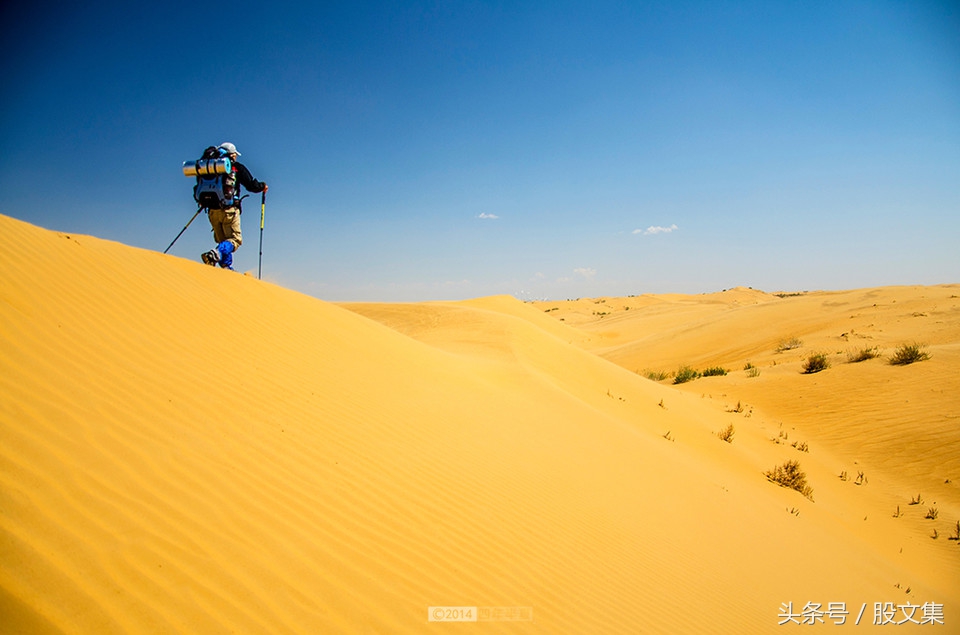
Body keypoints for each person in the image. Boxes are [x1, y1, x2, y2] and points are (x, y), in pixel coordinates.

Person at [201, 142, 267, 270]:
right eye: (235, 154)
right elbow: (251, 185)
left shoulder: (208, 168)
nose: (236, 157)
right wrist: (262, 186)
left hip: (212, 211)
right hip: (229, 210)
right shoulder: (235, 167)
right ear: (231, 155)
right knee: (235, 240)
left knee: (224, 242)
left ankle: (226, 267)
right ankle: (216, 254)